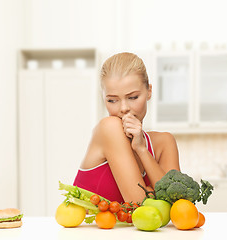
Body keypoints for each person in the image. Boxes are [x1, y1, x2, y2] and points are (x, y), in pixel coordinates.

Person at [73, 52, 180, 204]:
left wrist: (142, 149)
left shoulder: (164, 142)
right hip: (87, 228)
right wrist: (151, 191)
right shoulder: (108, 128)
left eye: (133, 97)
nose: (123, 108)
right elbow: (139, 204)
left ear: (149, 91)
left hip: (136, 229)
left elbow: (178, 205)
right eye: (112, 100)